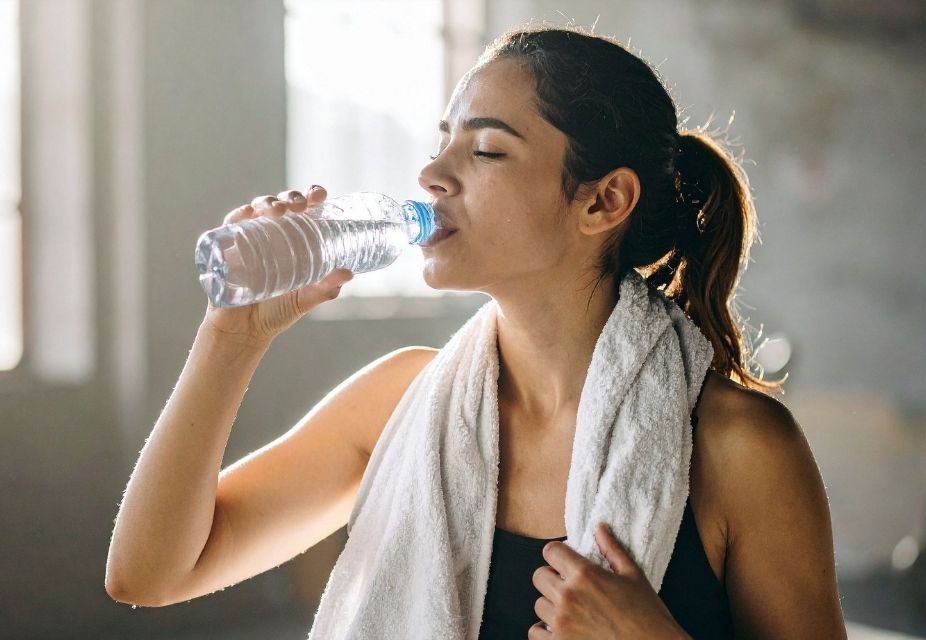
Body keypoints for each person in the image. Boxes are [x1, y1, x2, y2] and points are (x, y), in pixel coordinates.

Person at [106, 24, 847, 639]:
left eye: (486, 149)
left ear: (603, 201)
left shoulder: (741, 448)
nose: (432, 172)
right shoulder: (399, 402)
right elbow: (151, 572)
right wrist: (231, 335)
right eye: (443, 140)